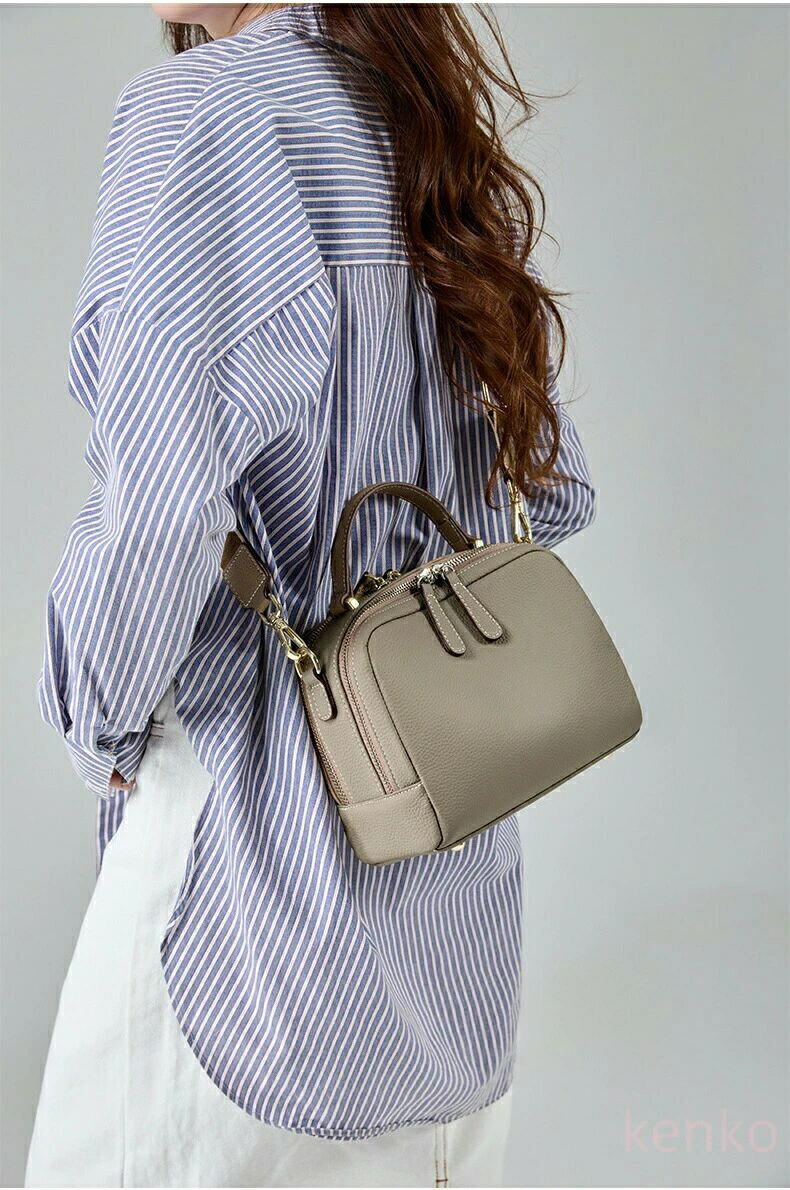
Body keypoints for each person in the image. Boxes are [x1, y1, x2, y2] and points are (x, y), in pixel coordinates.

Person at [26, 4, 595, 1186]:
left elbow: (158, 504)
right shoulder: (425, 114)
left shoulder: (204, 111)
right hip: (446, 863)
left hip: (240, 853)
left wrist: (97, 715)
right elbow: (550, 486)